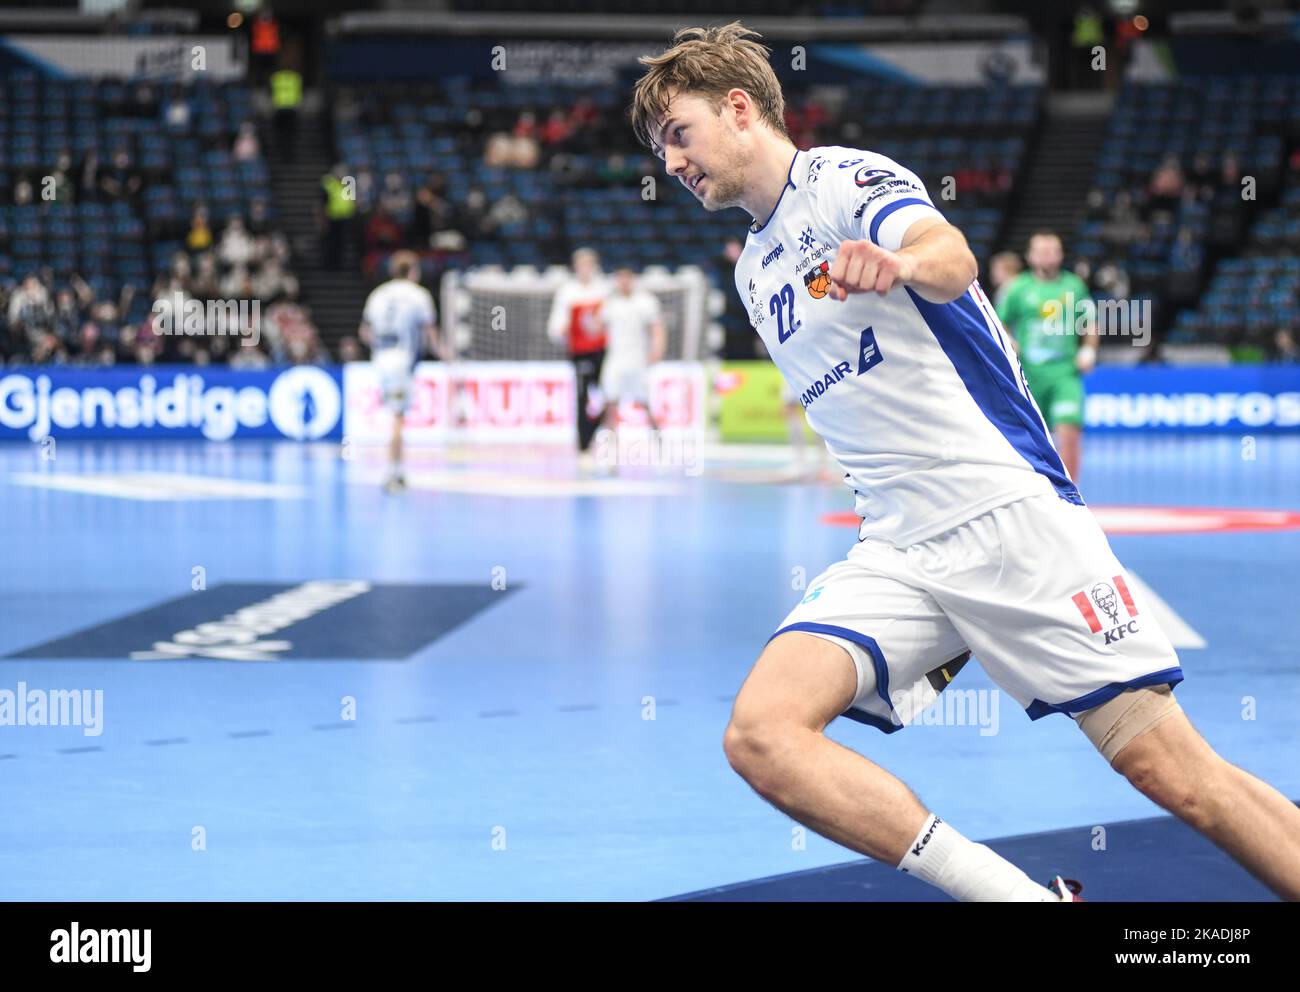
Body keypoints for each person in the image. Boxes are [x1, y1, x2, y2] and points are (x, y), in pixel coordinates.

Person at [630, 20, 1300, 903]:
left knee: (1178, 777)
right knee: (763, 735)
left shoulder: (843, 181)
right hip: (900, 546)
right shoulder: (755, 270)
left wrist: (898, 262)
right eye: (659, 148)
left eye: (678, 134)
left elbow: (951, 257)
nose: (671, 163)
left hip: (1006, 515)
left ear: (742, 108)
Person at [996, 232, 1097, 482]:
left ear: (1061, 254)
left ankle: (1072, 494)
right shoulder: (1018, 288)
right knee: (1029, 437)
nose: (1047, 256)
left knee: (1069, 432)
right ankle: (1035, 489)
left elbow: (1090, 323)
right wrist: (1009, 341)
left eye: (1053, 250)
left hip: (1065, 374)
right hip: (1029, 375)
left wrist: (1089, 350)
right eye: (1041, 251)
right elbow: (999, 323)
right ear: (1030, 256)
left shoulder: (1074, 286)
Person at [358, 251, 440, 494]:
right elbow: (430, 331)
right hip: (401, 362)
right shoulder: (419, 295)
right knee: (397, 418)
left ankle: (396, 470)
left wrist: (379, 346)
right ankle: (393, 473)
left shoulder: (378, 294)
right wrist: (444, 354)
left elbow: (364, 331)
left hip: (380, 360)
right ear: (413, 271)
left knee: (395, 415)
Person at [594, 267, 667, 466]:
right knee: (610, 404)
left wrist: (657, 350)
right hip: (615, 359)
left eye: (627, 278)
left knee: (645, 404)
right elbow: (597, 327)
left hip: (637, 360)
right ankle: (609, 450)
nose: (623, 282)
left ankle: (659, 443)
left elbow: (657, 328)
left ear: (632, 279)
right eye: (620, 278)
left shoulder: (645, 302)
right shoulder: (610, 303)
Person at [546, 247, 609, 468]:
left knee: (610, 397)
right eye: (582, 264)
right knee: (582, 398)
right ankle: (583, 445)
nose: (585, 269)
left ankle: (601, 438)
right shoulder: (567, 292)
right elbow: (555, 328)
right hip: (580, 352)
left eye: (589, 264)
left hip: (606, 352)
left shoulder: (605, 289)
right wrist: (563, 331)